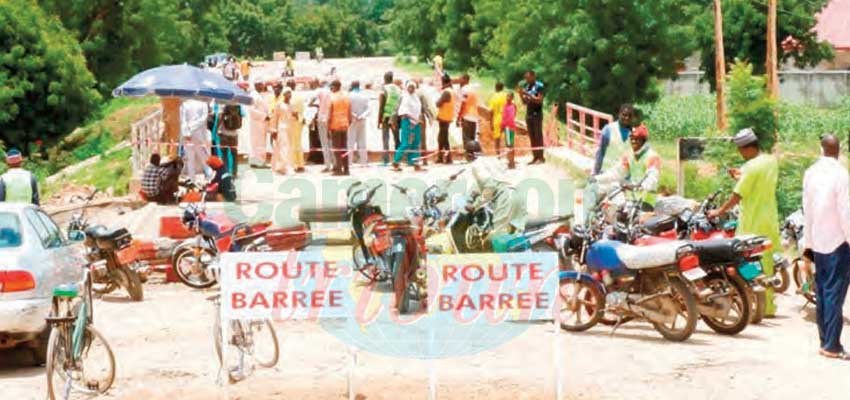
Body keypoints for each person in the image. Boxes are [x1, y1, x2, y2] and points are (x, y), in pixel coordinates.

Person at [709, 128, 781, 318]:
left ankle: (754, 302)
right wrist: (740, 176)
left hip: (752, 220)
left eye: (740, 150)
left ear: (746, 148)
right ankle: (769, 306)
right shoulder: (770, 161)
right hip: (770, 218)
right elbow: (756, 180)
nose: (740, 153)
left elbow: (738, 195)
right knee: (767, 263)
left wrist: (719, 211)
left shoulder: (750, 167)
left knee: (747, 263)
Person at [802, 134, 850, 360]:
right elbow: (846, 213)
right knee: (834, 294)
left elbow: (807, 210)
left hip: (818, 241)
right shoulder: (841, 175)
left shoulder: (810, 173)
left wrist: (807, 243)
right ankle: (832, 345)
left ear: (821, 150)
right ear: (838, 151)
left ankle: (825, 341)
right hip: (838, 242)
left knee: (822, 292)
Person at [592, 125, 660, 205]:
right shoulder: (629, 155)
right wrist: (596, 179)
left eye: (637, 139)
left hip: (646, 199)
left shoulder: (652, 156)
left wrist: (637, 187)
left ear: (643, 140)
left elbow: (652, 179)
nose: (633, 141)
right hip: (632, 196)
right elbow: (616, 173)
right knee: (607, 194)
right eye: (632, 138)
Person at [593, 104, 636, 175]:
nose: (627, 118)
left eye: (630, 116)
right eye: (624, 115)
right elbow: (601, 152)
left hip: (623, 175)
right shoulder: (608, 129)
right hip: (606, 172)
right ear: (619, 114)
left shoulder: (634, 133)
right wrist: (596, 172)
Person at [393, 81, 423, 172]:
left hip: (416, 122)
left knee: (416, 142)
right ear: (407, 88)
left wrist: (418, 119)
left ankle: (414, 162)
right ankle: (396, 161)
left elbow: (418, 110)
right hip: (407, 121)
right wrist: (414, 119)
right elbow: (404, 112)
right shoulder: (405, 98)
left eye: (413, 87)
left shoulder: (416, 98)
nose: (411, 89)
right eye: (409, 87)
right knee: (405, 143)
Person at [519, 70, 546, 164]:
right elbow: (524, 102)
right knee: (532, 136)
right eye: (525, 78)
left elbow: (539, 100)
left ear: (533, 76)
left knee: (538, 135)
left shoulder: (540, 86)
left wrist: (527, 94)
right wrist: (520, 94)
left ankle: (541, 157)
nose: (527, 80)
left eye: (528, 78)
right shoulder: (527, 87)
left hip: (537, 114)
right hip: (529, 114)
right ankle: (535, 157)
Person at [327, 80, 351, 176]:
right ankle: (346, 169)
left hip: (335, 125)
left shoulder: (332, 97)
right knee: (344, 148)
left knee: (337, 148)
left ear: (335, 87)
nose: (331, 89)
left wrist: (328, 127)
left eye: (331, 87)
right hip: (344, 125)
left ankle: (338, 169)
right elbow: (350, 113)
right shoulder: (346, 97)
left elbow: (330, 114)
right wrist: (347, 123)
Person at [378, 71, 402, 165]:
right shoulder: (398, 88)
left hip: (386, 117)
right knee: (396, 138)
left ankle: (385, 160)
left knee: (385, 139)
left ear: (385, 78)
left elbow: (381, 106)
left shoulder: (384, 89)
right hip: (396, 117)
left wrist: (379, 120)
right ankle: (397, 159)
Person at [310, 83, 334, 172]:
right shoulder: (332, 92)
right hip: (330, 118)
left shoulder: (319, 91)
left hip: (322, 118)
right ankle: (334, 163)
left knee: (324, 142)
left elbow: (311, 100)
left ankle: (328, 165)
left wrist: (317, 105)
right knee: (331, 142)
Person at [456, 73, 480, 161]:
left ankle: (469, 157)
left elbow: (463, 104)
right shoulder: (473, 89)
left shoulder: (464, 89)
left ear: (466, 80)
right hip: (474, 116)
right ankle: (472, 155)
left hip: (467, 116)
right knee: (472, 137)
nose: (459, 81)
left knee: (466, 137)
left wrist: (459, 117)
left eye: (461, 79)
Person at [217, 101, 243, 178]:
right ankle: (234, 173)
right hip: (234, 134)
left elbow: (220, 117)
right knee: (234, 154)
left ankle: (226, 172)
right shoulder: (237, 105)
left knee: (224, 154)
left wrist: (218, 129)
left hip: (224, 133)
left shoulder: (222, 104)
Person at [284, 83, 306, 173]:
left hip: (292, 123)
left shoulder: (289, 98)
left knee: (291, 144)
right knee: (298, 143)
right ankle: (301, 164)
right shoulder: (300, 97)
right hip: (299, 123)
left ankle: (294, 164)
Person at [348, 81, 370, 167]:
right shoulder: (364, 95)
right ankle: (363, 162)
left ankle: (349, 162)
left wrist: (354, 115)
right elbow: (369, 109)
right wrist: (362, 116)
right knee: (362, 141)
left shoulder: (349, 96)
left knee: (350, 141)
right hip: (362, 120)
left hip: (352, 120)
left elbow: (347, 108)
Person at [435, 74, 456, 164]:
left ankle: (443, 158)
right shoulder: (451, 91)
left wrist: (437, 100)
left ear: (444, 82)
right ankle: (447, 158)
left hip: (444, 117)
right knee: (444, 138)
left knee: (441, 138)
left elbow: (438, 103)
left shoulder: (446, 92)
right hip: (447, 117)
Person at [248, 82, 270, 168]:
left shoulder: (259, 95)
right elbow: (251, 110)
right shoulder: (253, 95)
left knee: (259, 143)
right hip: (257, 122)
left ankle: (257, 161)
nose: (263, 86)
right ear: (256, 85)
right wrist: (264, 116)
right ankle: (258, 162)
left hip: (261, 123)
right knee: (257, 143)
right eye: (261, 85)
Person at [416, 81, 435, 166]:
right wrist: (430, 118)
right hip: (420, 117)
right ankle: (424, 160)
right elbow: (425, 107)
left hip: (410, 118)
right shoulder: (421, 93)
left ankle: (414, 160)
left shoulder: (407, 93)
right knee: (423, 140)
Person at [488, 82, 508, 156]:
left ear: (496, 88)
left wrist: (490, 122)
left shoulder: (493, 97)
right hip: (507, 118)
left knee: (497, 138)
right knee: (508, 138)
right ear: (503, 88)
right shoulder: (507, 96)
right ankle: (509, 155)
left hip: (497, 119)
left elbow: (491, 111)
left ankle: (498, 155)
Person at [501, 92, 518, 169]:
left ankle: (511, 161)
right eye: (507, 96)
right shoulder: (505, 106)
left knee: (510, 145)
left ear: (512, 98)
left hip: (510, 127)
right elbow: (504, 117)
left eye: (509, 97)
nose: (508, 98)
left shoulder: (513, 106)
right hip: (507, 127)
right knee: (509, 144)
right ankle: (510, 161)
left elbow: (512, 116)